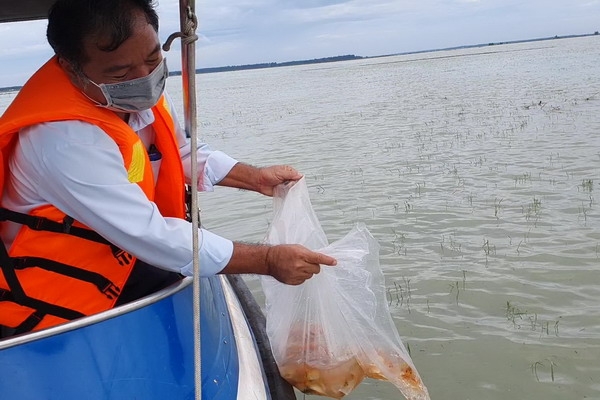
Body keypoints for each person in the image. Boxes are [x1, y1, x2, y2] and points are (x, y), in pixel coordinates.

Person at [0, 0, 336, 336]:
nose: (144, 79)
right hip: (58, 302)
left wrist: (254, 177)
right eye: (120, 72)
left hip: (120, 260)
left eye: (152, 59)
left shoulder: (136, 97)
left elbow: (176, 150)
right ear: (73, 69)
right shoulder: (62, 138)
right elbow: (147, 233)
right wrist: (266, 261)